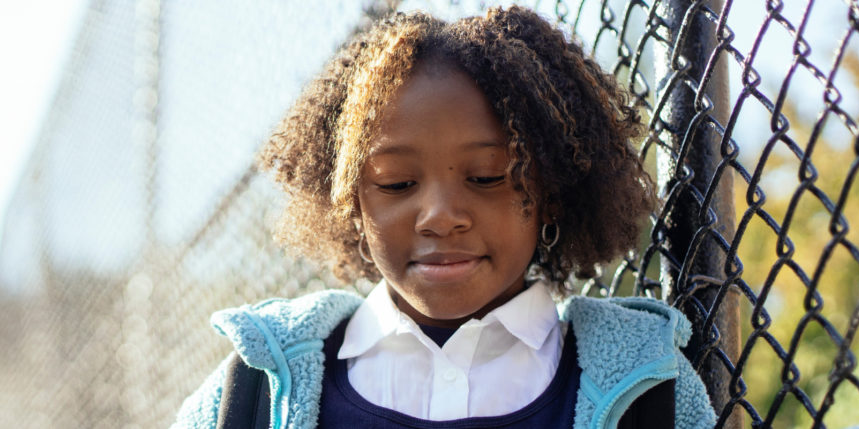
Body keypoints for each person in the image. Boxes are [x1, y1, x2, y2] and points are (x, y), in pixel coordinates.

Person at [173, 6, 716, 429]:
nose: (439, 216)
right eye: (395, 183)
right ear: (351, 204)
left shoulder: (651, 388)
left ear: (551, 193)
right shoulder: (255, 390)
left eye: (486, 176)